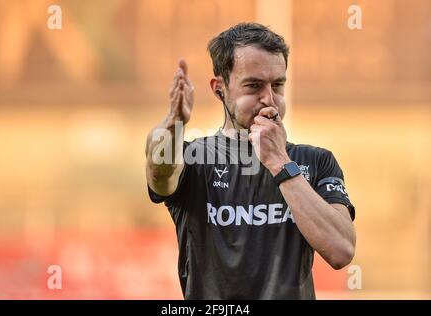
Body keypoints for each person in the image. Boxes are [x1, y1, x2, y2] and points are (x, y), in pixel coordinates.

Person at [145, 23, 356, 299]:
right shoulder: (193, 160)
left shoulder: (315, 161)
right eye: (254, 86)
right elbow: (159, 174)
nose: (269, 99)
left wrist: (280, 163)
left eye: (278, 85)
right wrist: (174, 123)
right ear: (220, 88)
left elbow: (341, 250)